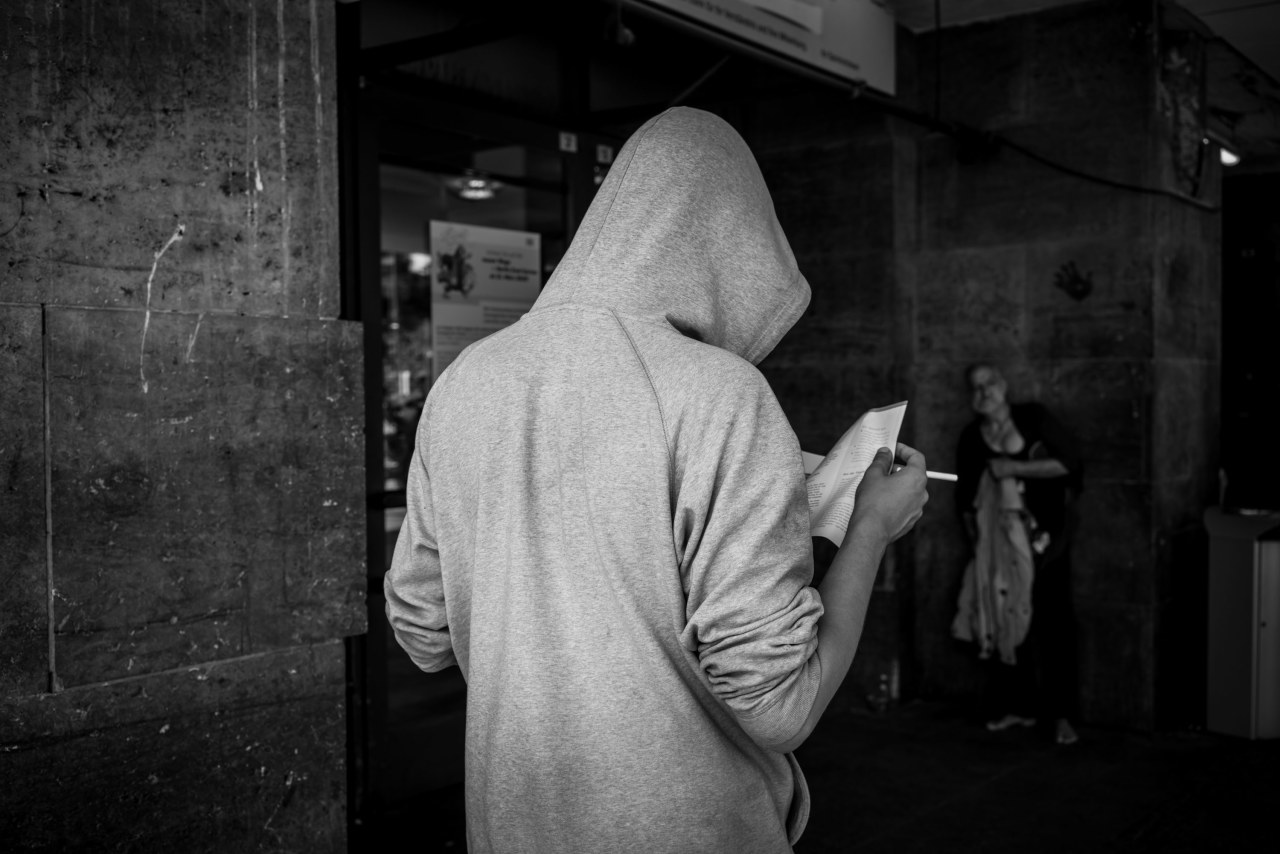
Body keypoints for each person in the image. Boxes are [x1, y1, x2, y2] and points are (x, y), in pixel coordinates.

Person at [383, 106, 929, 853]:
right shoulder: (719, 395)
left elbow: (423, 629)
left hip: (511, 826)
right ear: (732, 245)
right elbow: (782, 706)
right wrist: (869, 526)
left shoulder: (464, 382)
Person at [952, 364, 1083, 746]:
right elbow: (965, 499)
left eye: (990, 383)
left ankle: (1061, 716)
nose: (984, 392)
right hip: (998, 545)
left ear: (1004, 385)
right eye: (976, 387)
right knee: (1003, 619)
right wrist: (979, 545)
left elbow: (1071, 465)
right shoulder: (971, 437)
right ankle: (1019, 707)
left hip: (1046, 540)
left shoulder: (1033, 418)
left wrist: (1012, 468)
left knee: (1052, 624)